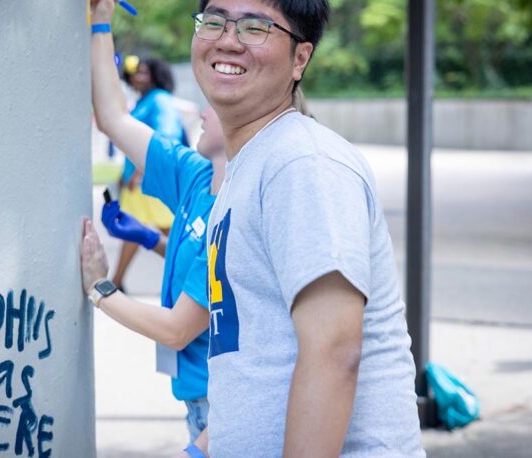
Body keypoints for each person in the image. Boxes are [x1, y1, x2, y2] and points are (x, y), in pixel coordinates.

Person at [180, 1, 424, 457]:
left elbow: (333, 350)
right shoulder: (251, 166)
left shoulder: (301, 163)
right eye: (214, 21)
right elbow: (257, 353)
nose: (228, 40)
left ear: (300, 58)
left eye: (256, 27)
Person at [81, 0, 228, 442]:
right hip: (199, 400)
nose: (199, 114)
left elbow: (179, 329)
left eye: (212, 106)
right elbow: (113, 118)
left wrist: (99, 288)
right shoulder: (196, 176)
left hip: (221, 408)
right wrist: (101, 19)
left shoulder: (237, 210)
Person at [112, 56, 187, 291]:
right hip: (139, 181)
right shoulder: (145, 100)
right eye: (137, 72)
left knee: (172, 232)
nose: (139, 77)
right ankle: (117, 280)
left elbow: (167, 134)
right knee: (135, 231)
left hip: (150, 179)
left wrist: (141, 170)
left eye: (145, 72)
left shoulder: (160, 100)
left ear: (157, 75)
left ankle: (191, 277)